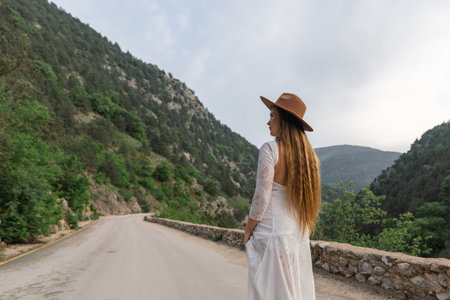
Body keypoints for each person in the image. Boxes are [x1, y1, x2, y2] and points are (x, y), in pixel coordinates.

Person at [244, 93, 321, 300]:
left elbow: (261, 197)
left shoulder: (270, 149)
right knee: (295, 291)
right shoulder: (309, 158)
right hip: (296, 235)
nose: (268, 122)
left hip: (271, 235)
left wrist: (249, 229)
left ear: (285, 120)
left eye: (272, 116)